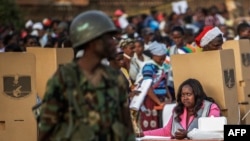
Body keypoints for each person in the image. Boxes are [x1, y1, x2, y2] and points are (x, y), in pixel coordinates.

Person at [37, 10, 135, 141]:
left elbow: (126, 125)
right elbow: (47, 127)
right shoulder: (64, 78)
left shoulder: (115, 78)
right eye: (107, 38)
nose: (113, 43)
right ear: (91, 41)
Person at [141, 78, 221, 139]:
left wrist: (188, 134)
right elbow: (166, 131)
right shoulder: (178, 110)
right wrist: (143, 134)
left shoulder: (210, 108)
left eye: (188, 94)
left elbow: (213, 133)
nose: (185, 98)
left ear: (196, 95)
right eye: (183, 95)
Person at [138, 41, 172, 131]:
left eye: (164, 58)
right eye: (160, 58)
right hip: (151, 100)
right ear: (154, 55)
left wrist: (169, 97)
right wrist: (158, 102)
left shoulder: (163, 66)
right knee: (153, 125)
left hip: (162, 99)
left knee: (162, 124)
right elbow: (147, 88)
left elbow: (164, 84)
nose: (162, 60)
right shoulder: (148, 67)